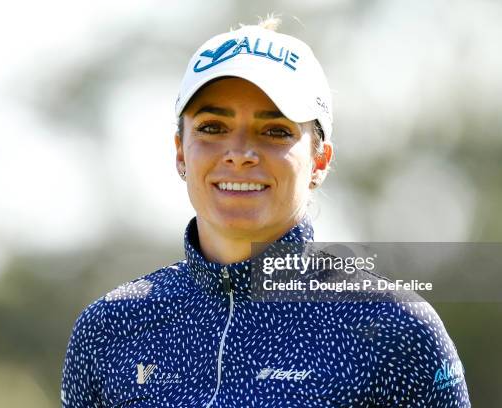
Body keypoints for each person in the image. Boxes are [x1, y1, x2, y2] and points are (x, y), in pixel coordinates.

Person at [61, 17, 471, 407]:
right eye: (212, 128)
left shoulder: (392, 326)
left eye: (275, 131)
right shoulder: (109, 327)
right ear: (180, 151)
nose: (239, 154)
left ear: (320, 160)